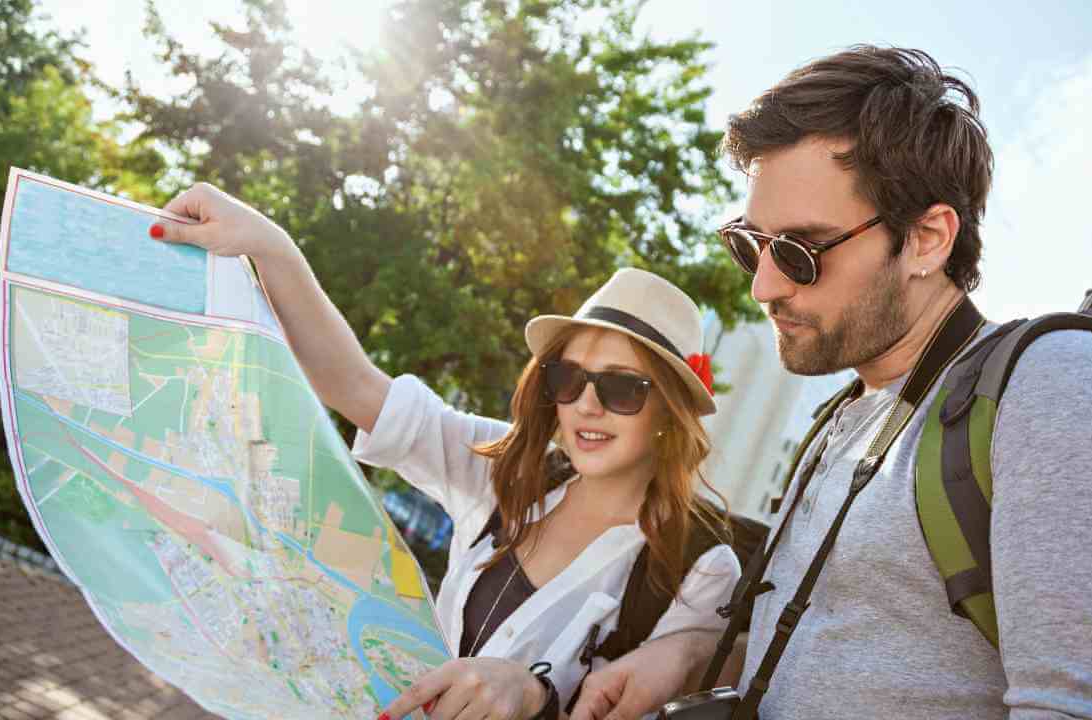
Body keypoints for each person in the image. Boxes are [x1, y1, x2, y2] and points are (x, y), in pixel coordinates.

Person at [570, 45, 1092, 720]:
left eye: (799, 253)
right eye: (750, 244)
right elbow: (852, 650)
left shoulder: (1059, 394)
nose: (763, 286)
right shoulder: (842, 416)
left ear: (927, 239)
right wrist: (689, 654)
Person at [149, 187, 743, 720]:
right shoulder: (504, 469)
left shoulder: (700, 566)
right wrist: (269, 246)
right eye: (568, 379)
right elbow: (357, 388)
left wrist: (536, 699)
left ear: (669, 411)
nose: (586, 404)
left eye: (620, 388)